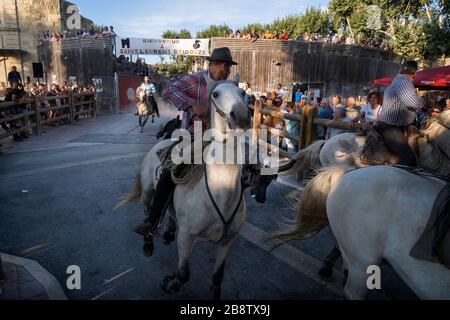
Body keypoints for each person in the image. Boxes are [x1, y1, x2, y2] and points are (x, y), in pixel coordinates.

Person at [133, 47, 238, 256]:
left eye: (229, 66)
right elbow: (169, 90)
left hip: (219, 138)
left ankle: (231, 215)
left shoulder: (227, 86)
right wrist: (191, 104)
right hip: (193, 135)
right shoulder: (197, 80)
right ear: (216, 64)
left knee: (243, 166)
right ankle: (152, 220)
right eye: (226, 66)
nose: (228, 70)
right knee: (172, 169)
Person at [377, 61, 426, 166]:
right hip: (391, 127)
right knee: (408, 158)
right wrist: (424, 101)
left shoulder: (398, 80)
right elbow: (412, 103)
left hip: (393, 125)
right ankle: (398, 181)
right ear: (415, 72)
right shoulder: (404, 82)